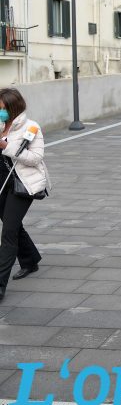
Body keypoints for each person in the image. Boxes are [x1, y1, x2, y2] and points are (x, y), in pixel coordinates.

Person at [0, 89, 51, 302]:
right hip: (2, 182)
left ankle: (0, 285)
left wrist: (7, 146)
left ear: (13, 108)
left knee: (8, 231)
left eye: (2, 108)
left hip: (22, 184)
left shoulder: (31, 127)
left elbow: (36, 158)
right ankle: (30, 259)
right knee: (13, 224)